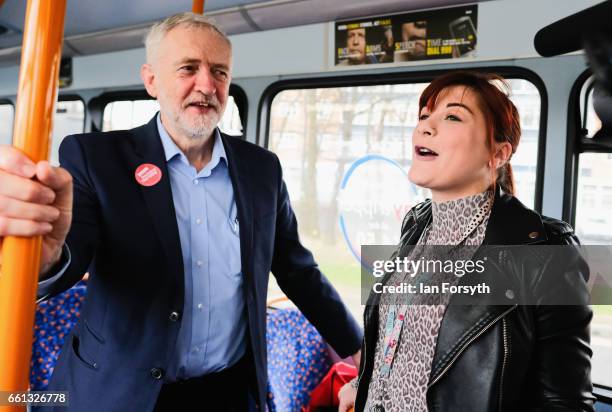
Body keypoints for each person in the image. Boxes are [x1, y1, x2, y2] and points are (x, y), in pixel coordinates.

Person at [0, 12, 362, 411]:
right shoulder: (97, 158)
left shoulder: (262, 169)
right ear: (151, 80)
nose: (206, 85)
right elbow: (69, 255)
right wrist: (45, 258)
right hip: (121, 390)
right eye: (188, 68)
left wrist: (359, 348)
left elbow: (297, 269)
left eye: (219, 72)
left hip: (225, 390)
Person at [338, 71, 594, 411]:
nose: (425, 127)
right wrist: (363, 383)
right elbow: (402, 337)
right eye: (425, 115)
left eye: (453, 116)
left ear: (498, 154)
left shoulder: (544, 250)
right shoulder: (417, 225)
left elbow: (565, 402)